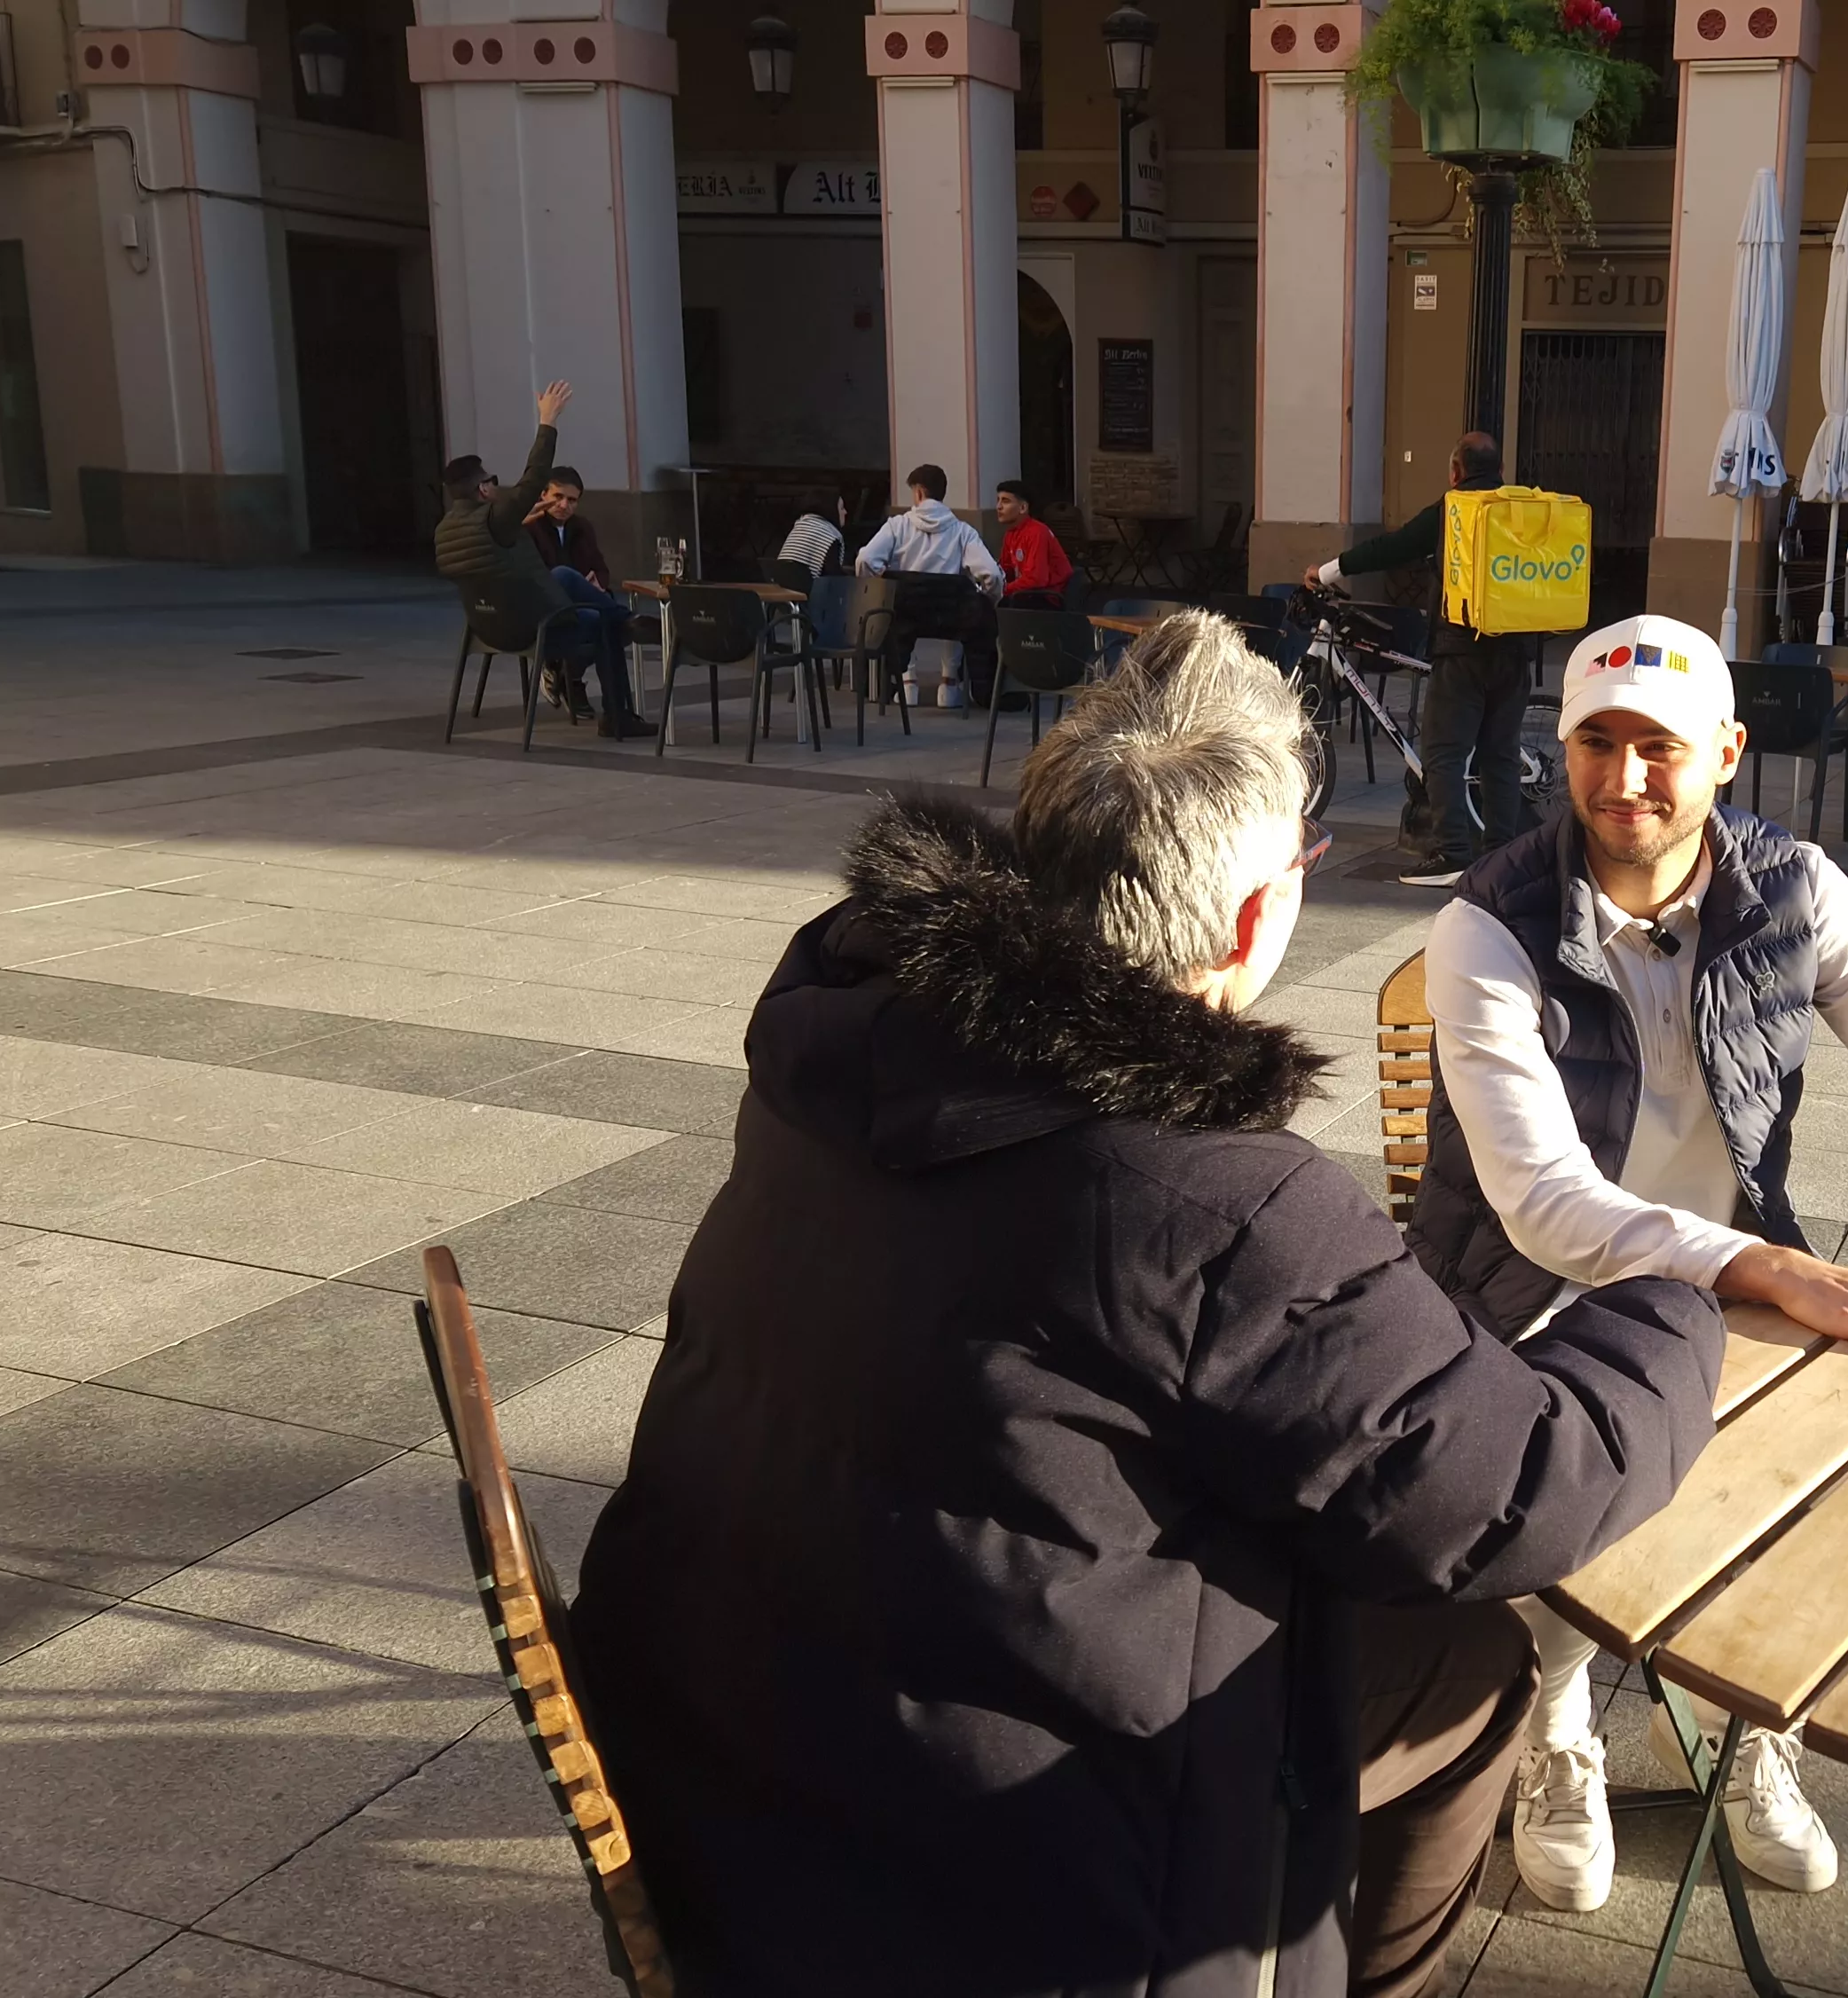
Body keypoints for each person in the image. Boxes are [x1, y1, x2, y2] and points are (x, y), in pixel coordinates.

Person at [566, 611, 1732, 1998]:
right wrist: (1682, 1293)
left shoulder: (854, 1035)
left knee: (1439, 1661)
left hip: (715, 1757)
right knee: (1474, 1670)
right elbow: (1513, 1495)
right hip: (1002, 1872)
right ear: (1255, 915)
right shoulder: (1216, 1199)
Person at [1408, 612, 1848, 1915]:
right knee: (1562, 1458)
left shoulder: (1794, 888)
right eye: (1596, 742)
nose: (1625, 777)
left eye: (1661, 747)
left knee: (1821, 1472)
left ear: (1729, 752)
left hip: (1736, 1287)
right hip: (1528, 1291)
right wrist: (1769, 1267)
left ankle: (1755, 1716)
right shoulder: (1489, 920)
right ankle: (1558, 1726)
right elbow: (1543, 1204)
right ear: (1561, 748)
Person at [1306, 432, 1528, 889]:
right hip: (1515, 652)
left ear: (1455, 473)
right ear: (1501, 471)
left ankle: (1453, 854)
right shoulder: (1521, 510)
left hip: (1462, 651)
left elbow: (1394, 547)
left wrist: (1327, 570)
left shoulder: (1453, 509)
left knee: (1443, 754)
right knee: (1500, 756)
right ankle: (1502, 855)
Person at [434, 380, 651, 739]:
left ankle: (626, 619)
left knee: (564, 574)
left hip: (486, 627)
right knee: (605, 624)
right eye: (492, 481)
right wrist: (548, 420)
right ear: (483, 489)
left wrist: (512, 526)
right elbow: (534, 477)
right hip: (532, 629)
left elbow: (484, 558)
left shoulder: (446, 529)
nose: (496, 486)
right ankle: (618, 713)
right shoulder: (495, 519)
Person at [855, 462, 1006, 704]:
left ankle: (908, 684)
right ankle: (949, 684)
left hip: (905, 613)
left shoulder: (897, 525)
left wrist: (875, 585)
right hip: (951, 616)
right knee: (962, 601)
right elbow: (991, 574)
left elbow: (865, 559)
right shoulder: (963, 531)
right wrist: (990, 596)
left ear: (918, 492)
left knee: (900, 613)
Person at [525, 467, 643, 724]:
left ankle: (570, 677)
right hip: (546, 608)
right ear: (543, 495)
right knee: (571, 583)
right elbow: (535, 576)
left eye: (572, 500)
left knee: (609, 623)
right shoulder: (529, 527)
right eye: (557, 497)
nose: (564, 505)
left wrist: (596, 583)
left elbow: (600, 568)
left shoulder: (581, 527)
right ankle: (613, 712)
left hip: (580, 604)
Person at [993, 476, 1074, 608]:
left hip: (1048, 597)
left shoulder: (1037, 532)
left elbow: (1036, 579)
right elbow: (1005, 570)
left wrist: (1003, 590)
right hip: (1027, 593)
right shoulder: (1010, 534)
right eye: (998, 501)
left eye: (1005, 501)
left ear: (1023, 508)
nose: (998, 507)